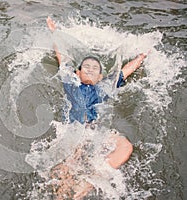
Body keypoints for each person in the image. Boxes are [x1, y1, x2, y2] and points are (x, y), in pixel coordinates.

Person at [46, 17, 148, 199]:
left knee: (125, 147)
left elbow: (125, 71)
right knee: (67, 169)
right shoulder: (70, 81)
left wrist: (142, 56)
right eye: (86, 67)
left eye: (95, 68)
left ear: (101, 77)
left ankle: (91, 181)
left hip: (95, 130)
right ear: (77, 72)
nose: (91, 69)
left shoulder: (104, 87)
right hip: (73, 130)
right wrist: (55, 33)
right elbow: (61, 56)